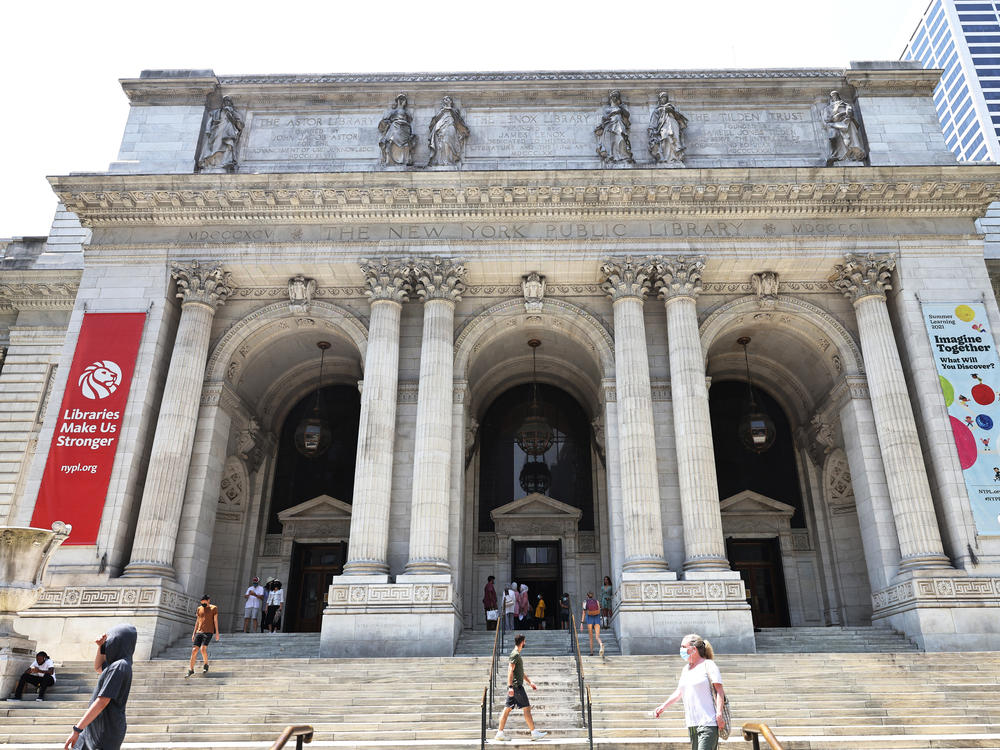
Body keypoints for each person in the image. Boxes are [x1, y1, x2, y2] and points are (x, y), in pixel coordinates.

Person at [63, 624, 136, 750]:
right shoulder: (116, 664)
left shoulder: (119, 666)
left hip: (105, 731)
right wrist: (101, 647)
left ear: (118, 641)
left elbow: (102, 701)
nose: (108, 643)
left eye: (110, 640)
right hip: (94, 728)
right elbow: (98, 668)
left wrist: (77, 729)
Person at [653, 633, 727, 750]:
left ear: (693, 649)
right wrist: (663, 707)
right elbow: (679, 692)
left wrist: (719, 714)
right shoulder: (686, 669)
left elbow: (719, 691)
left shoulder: (708, 665)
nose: (681, 650)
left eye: (683, 647)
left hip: (708, 723)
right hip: (692, 724)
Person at [494, 634, 547, 742]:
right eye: (525, 641)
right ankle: (534, 732)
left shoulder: (516, 654)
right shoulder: (515, 654)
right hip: (516, 686)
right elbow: (510, 670)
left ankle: (500, 733)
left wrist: (530, 682)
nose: (525, 643)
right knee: (526, 708)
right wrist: (510, 687)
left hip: (515, 686)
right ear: (522, 642)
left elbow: (520, 672)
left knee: (507, 709)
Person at [197, 96, 244, 173]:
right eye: (225, 102)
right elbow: (209, 122)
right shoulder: (216, 112)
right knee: (216, 146)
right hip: (217, 131)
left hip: (229, 132)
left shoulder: (234, 113)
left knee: (228, 146)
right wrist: (208, 130)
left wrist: (232, 117)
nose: (227, 104)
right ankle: (212, 163)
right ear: (223, 104)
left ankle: (225, 162)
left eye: (229, 102)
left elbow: (240, 125)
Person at [823, 90, 866, 165]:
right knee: (833, 137)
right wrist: (836, 117)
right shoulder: (827, 108)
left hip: (846, 122)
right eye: (833, 96)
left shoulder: (845, 104)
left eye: (836, 95)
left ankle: (851, 154)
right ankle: (837, 155)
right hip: (835, 124)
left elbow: (850, 112)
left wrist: (843, 114)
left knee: (850, 138)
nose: (834, 97)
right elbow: (827, 119)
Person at [427, 95, 470, 166]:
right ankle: (443, 161)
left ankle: (449, 160)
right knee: (442, 143)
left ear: (451, 101)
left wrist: (450, 110)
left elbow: (458, 120)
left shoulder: (455, 111)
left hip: (450, 126)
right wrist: (442, 112)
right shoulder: (441, 111)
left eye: (448, 99)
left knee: (448, 142)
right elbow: (434, 120)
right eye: (444, 99)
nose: (446, 100)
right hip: (442, 128)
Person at [595, 89, 634, 164]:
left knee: (621, 139)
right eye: (613, 96)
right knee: (611, 142)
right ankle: (611, 156)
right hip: (610, 126)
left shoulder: (622, 107)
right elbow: (604, 118)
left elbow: (627, 115)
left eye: (616, 96)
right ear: (611, 98)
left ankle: (623, 156)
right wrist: (613, 113)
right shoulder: (608, 109)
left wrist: (620, 108)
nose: (614, 98)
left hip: (619, 125)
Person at [378, 93, 416, 166]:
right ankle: (389, 159)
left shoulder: (407, 112)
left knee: (406, 143)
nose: (401, 101)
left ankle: (406, 159)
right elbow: (385, 120)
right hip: (395, 127)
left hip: (405, 128)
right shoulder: (393, 111)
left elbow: (410, 118)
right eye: (400, 100)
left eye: (403, 100)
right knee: (390, 140)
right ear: (397, 101)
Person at [187, 594, 219, 678]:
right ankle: (191, 669)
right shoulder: (199, 609)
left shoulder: (214, 608)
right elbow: (197, 622)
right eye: (202, 603)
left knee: (203, 649)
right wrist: (194, 633)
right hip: (199, 632)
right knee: (194, 650)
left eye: (204, 603)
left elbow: (215, 621)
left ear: (208, 600)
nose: (203, 605)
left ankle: (206, 664)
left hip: (209, 631)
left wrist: (217, 633)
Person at [581, 591, 605, 657]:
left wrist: (582, 623)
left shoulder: (585, 602)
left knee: (591, 637)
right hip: (597, 618)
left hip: (589, 618)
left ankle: (591, 652)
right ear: (592, 596)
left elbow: (583, 613)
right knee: (597, 636)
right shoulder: (596, 601)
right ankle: (601, 644)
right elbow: (599, 610)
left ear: (587, 596)